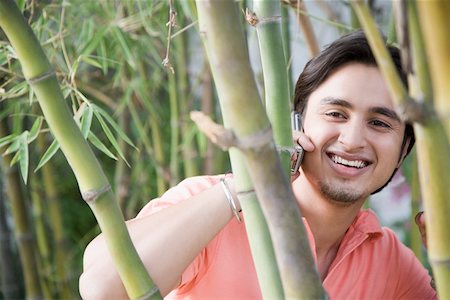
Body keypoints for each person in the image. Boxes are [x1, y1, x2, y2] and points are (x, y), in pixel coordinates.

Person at [79, 30, 436, 299]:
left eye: (380, 123)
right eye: (335, 113)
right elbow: (102, 288)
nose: (354, 138)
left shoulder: (390, 262)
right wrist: (245, 185)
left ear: (404, 149)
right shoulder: (212, 202)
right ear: (297, 124)